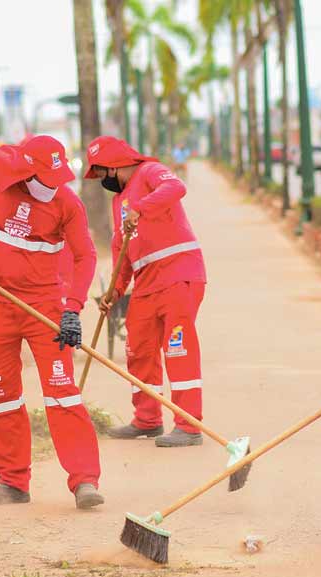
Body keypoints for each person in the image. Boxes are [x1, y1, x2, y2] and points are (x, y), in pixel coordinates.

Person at [0, 135, 104, 510]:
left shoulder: (68, 203)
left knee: (62, 391)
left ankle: (84, 481)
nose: (54, 184)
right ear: (26, 170)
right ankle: (12, 481)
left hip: (45, 307)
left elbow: (85, 257)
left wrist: (72, 310)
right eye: (46, 176)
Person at [84, 135, 207, 447]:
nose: (100, 180)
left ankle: (189, 425)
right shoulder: (117, 202)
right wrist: (115, 288)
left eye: (100, 172)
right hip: (147, 282)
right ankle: (147, 419)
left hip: (179, 274)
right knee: (138, 348)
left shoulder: (150, 172)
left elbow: (176, 188)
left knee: (177, 348)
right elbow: (121, 248)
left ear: (112, 165)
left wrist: (141, 207)